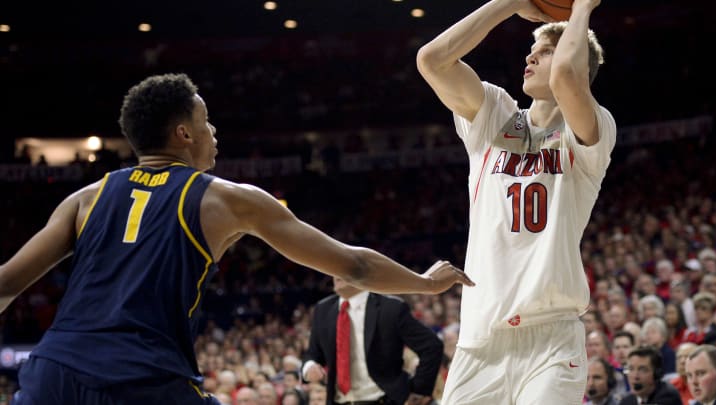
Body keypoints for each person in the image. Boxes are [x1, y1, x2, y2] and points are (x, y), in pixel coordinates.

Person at [0, 73, 473, 405]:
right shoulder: (225, 199)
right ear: (184, 133)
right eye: (206, 121)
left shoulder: (85, 198)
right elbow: (354, 266)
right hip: (144, 378)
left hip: (53, 374)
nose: (214, 130)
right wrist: (426, 284)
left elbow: (5, 285)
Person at [415, 0, 616, 402]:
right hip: (481, 339)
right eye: (533, 49)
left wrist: (580, 8)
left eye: (544, 50)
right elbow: (432, 60)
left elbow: (566, 79)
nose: (531, 55)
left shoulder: (593, 128)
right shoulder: (495, 114)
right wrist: (509, 3)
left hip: (551, 338)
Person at [303, 277, 442, 405]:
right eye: (334, 269)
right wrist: (309, 366)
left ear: (363, 272)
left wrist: (420, 390)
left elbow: (431, 346)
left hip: (383, 399)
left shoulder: (391, 308)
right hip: (339, 400)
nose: (337, 273)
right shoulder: (323, 309)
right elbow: (313, 353)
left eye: (343, 266)